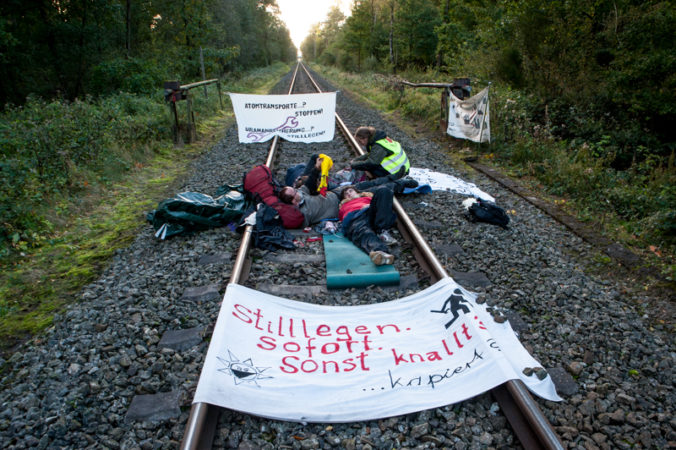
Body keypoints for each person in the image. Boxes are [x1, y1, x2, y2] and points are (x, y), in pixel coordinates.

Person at [339, 185, 397, 266]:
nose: (349, 194)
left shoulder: (368, 197)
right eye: (346, 194)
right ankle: (381, 253)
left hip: (371, 212)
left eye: (350, 191)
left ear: (357, 191)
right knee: (364, 232)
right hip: (357, 217)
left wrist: (369, 206)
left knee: (383, 190)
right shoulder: (344, 205)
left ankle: (382, 232)